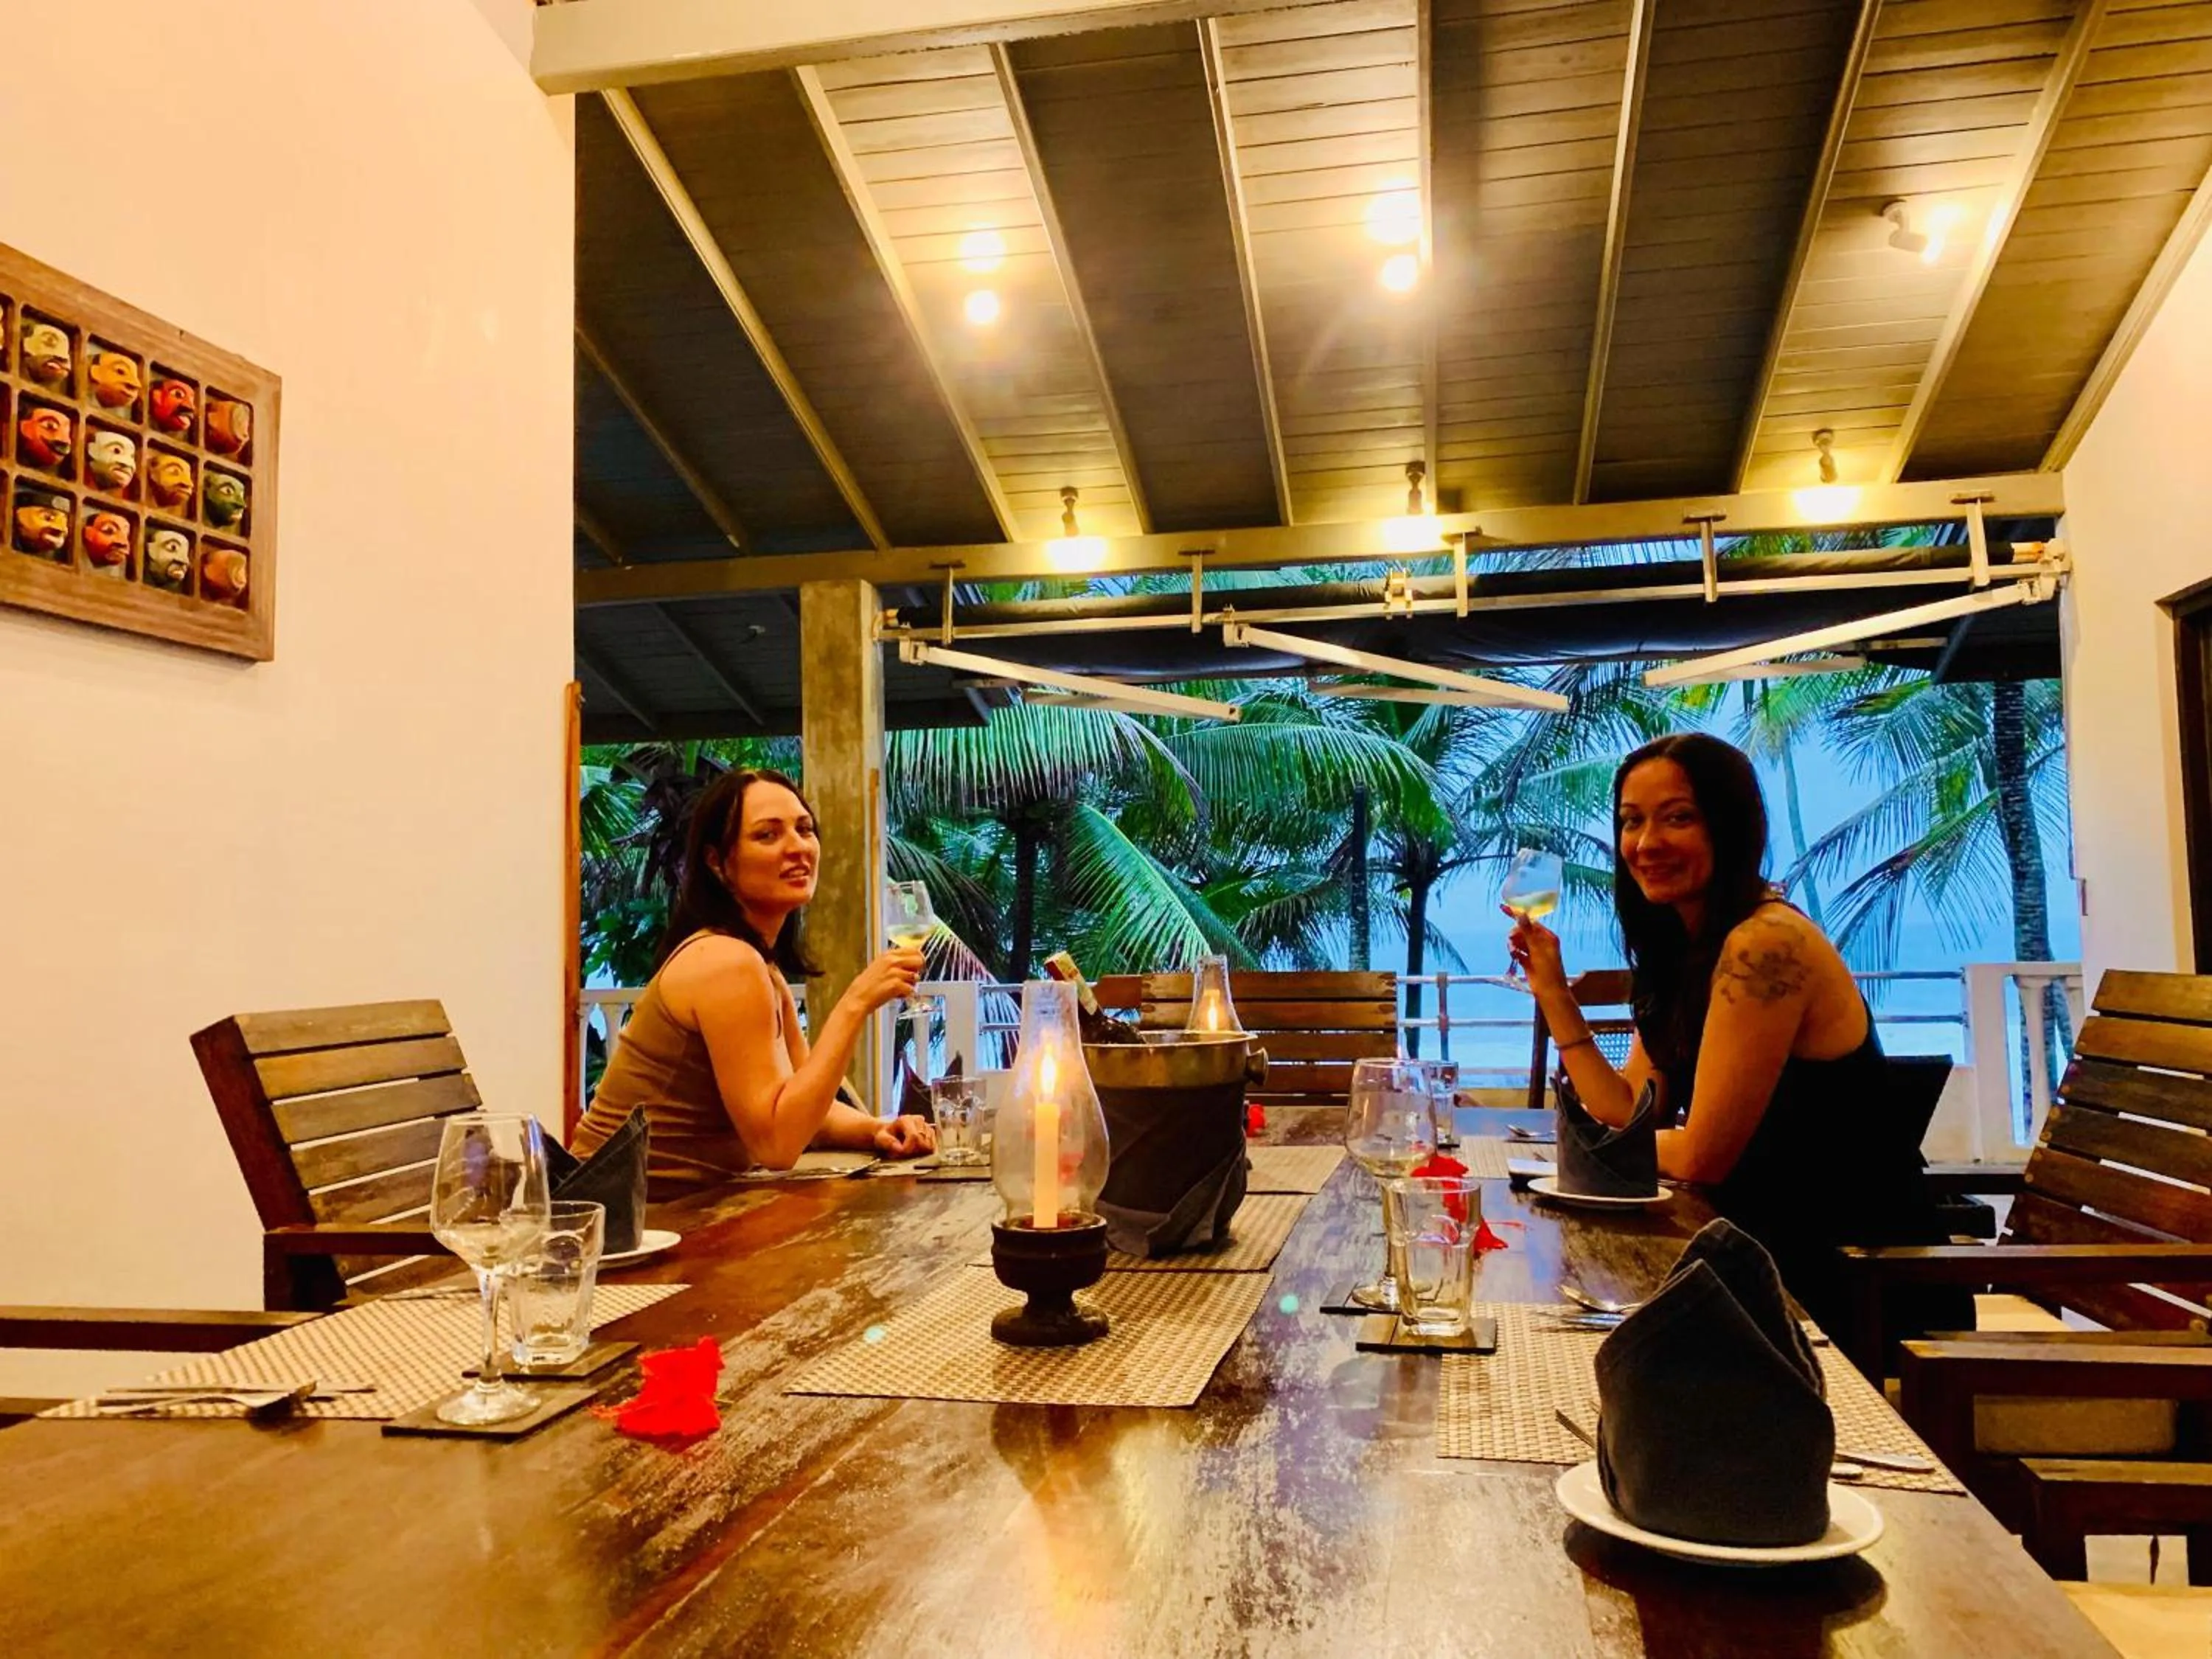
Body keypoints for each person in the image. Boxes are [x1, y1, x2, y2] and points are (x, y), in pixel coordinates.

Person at [1506, 731, 1963, 1335]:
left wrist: (1574, 1160)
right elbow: (1626, 1110)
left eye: (1679, 818)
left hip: (1856, 1284)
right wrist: (1554, 994)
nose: (1646, 844)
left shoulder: (1765, 943)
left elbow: (1702, 1158)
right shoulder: (1686, 951)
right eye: (1631, 821)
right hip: (1758, 1255)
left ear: (1732, 827)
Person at [571, 768, 936, 1194]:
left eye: (805, 829)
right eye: (767, 836)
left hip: (684, 1213)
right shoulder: (726, 963)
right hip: (619, 1226)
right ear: (717, 863)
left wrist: (878, 1129)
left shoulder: (758, 964)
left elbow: (804, 1109)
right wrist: (855, 1003)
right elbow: (777, 1146)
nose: (798, 847)